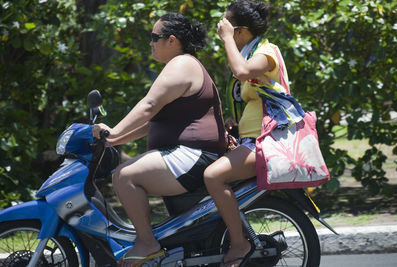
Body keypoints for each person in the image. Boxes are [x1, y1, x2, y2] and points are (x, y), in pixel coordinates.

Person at [92, 13, 227, 267]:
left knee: (124, 176)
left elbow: (149, 106)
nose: (150, 43)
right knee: (125, 173)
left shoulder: (182, 64)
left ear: (172, 40)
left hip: (196, 153)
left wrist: (113, 131)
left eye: (154, 38)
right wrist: (113, 140)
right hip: (190, 153)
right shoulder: (180, 65)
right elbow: (149, 123)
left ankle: (146, 243)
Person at [203, 1, 291, 266]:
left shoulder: (267, 52)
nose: (222, 31)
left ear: (240, 31)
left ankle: (239, 244)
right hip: (251, 139)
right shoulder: (252, 52)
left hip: (267, 143)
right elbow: (257, 99)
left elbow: (240, 71)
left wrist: (227, 38)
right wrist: (238, 124)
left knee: (213, 177)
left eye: (227, 27)